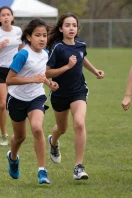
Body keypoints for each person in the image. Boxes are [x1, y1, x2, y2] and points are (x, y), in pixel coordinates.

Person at [45, 13, 105, 180]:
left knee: (79, 123)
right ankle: (53, 142)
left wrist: (95, 71)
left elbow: (82, 58)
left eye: (74, 25)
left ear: (78, 28)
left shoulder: (81, 45)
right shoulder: (57, 48)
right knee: (62, 129)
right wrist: (66, 67)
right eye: (67, 25)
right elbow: (47, 72)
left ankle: (78, 167)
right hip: (59, 94)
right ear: (61, 28)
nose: (71, 28)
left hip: (78, 91)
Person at [5, 18, 58, 184]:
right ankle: (13, 158)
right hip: (16, 99)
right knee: (20, 137)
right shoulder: (23, 54)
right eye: (38, 35)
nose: (42, 39)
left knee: (37, 128)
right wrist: (33, 79)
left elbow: (41, 75)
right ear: (29, 37)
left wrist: (50, 84)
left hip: (36, 97)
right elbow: (9, 80)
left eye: (44, 35)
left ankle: (42, 170)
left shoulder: (45, 54)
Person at [0, 6, 24, 146]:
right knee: (2, 104)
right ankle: (4, 135)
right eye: (3, 15)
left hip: (14, 70)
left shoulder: (18, 31)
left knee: (17, 102)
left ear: (12, 17)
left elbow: (21, 49)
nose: (6, 17)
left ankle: (18, 132)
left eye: (8, 14)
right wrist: (0, 47)